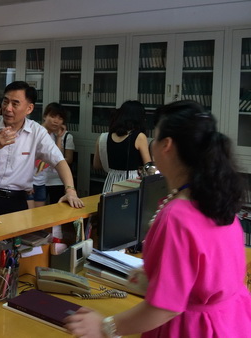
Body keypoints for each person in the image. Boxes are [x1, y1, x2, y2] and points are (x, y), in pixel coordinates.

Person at [65, 100, 251, 337]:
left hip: (192, 328)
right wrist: (155, 274)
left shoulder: (177, 215)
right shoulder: (217, 198)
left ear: (167, 145)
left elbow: (165, 308)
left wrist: (104, 326)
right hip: (231, 321)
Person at [0, 81, 83, 221]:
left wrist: (70, 191)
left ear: (29, 108)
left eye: (15, 104)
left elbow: (59, 161)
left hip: (16, 201)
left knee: (16, 236)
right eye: (5, 101)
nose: (7, 108)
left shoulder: (37, 132)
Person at [93, 100, 151, 193]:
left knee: (110, 201)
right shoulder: (139, 137)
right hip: (131, 181)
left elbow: (96, 165)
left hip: (111, 180)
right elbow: (148, 167)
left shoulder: (103, 137)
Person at [28, 102, 75, 208]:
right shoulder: (36, 132)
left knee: (40, 215)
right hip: (29, 183)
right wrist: (25, 183)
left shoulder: (53, 135)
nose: (56, 121)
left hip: (41, 182)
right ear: (45, 116)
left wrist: (59, 137)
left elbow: (55, 158)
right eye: (53, 116)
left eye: (60, 118)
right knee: (28, 215)